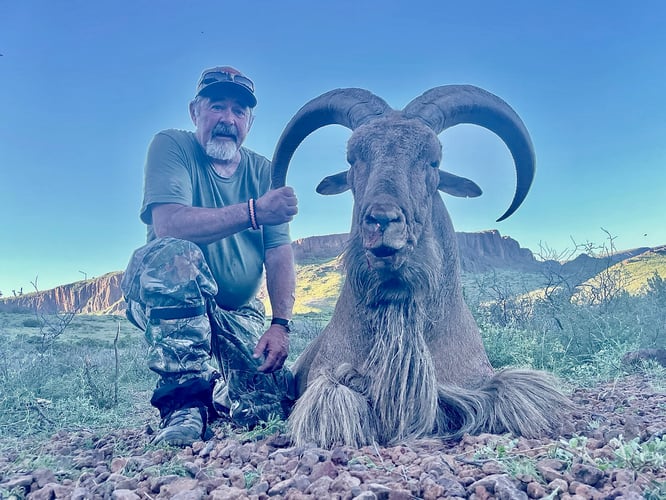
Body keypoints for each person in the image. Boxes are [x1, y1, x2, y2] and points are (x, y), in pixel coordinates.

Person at [121, 66, 298, 446]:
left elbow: (278, 251)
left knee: (272, 406)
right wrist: (253, 212)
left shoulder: (264, 171)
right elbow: (168, 224)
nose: (227, 120)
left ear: (249, 120)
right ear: (194, 112)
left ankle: (217, 390)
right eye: (217, 107)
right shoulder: (171, 145)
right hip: (167, 297)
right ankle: (185, 403)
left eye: (238, 111)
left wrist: (280, 324)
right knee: (175, 254)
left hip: (237, 311)